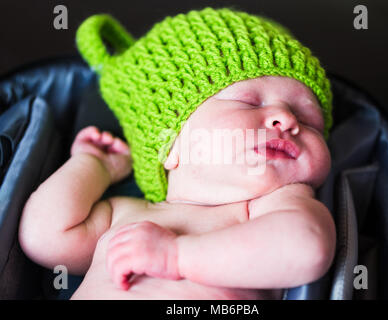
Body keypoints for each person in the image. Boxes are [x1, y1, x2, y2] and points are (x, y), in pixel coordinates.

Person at [18, 7, 336, 299]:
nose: (287, 120)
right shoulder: (124, 214)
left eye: (310, 120)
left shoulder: (275, 208)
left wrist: (177, 256)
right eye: (249, 102)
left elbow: (307, 248)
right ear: (171, 145)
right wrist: (92, 167)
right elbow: (44, 238)